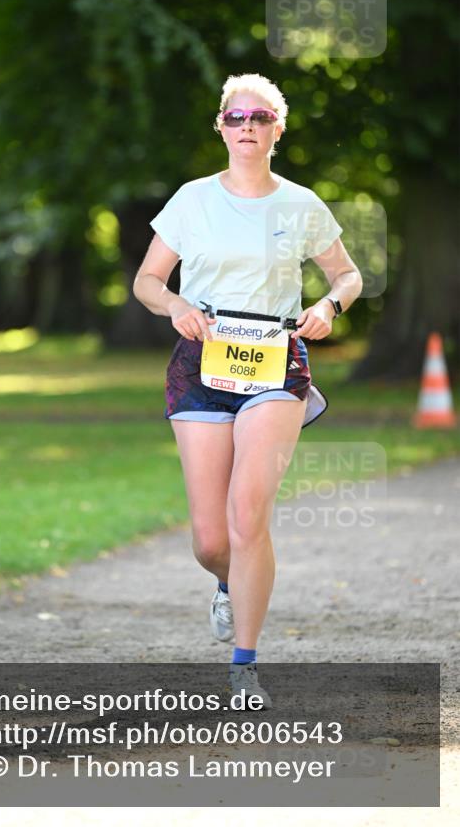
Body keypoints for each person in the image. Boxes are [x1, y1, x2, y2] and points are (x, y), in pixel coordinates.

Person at [132, 73, 363, 707]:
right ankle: (231, 586)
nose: (247, 127)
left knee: (246, 516)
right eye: (235, 118)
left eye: (259, 117)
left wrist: (328, 306)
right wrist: (174, 304)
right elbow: (147, 280)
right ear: (221, 127)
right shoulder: (192, 200)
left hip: (276, 367)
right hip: (201, 365)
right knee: (211, 540)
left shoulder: (301, 205)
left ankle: (244, 666)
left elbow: (348, 275)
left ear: (277, 129)